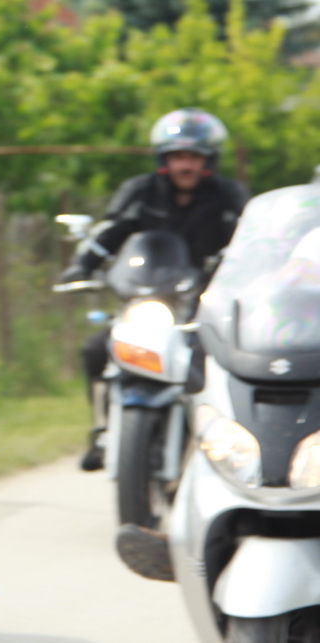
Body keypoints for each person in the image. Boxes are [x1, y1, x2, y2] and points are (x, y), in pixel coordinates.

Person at [55, 107, 248, 470]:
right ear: (164, 159)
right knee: (96, 348)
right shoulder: (140, 191)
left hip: (202, 302)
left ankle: (223, 438)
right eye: (178, 156)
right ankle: (101, 430)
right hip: (146, 297)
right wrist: (82, 265)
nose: (185, 165)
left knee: (220, 357)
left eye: (194, 157)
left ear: (209, 160)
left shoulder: (227, 195)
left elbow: (249, 240)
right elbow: (110, 231)